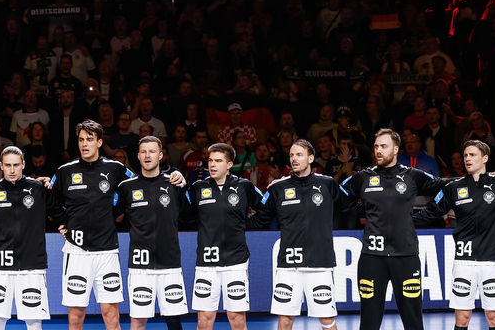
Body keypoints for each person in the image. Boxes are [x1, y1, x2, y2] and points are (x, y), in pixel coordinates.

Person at [49, 121, 183, 330]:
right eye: (81, 139)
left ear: (100, 142)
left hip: (107, 251)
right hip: (76, 251)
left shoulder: (116, 168)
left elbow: (142, 182)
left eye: (90, 139)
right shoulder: (65, 171)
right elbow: (50, 198)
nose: (85, 144)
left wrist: (176, 176)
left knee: (111, 316)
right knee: (75, 317)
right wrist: (62, 221)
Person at [341, 129, 452, 330]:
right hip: (372, 257)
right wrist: (363, 211)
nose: (378, 151)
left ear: (395, 149)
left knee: (413, 321)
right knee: (369, 321)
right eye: (376, 146)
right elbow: (338, 195)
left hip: (406, 255)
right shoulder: (363, 177)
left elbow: (443, 185)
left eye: (383, 146)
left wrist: (479, 176)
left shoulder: (412, 175)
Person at [416, 140, 495, 330]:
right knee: (462, 318)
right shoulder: (453, 187)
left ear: (485, 158)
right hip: (464, 261)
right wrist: (402, 222)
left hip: (492, 260)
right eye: (465, 155)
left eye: (473, 155)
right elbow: (431, 212)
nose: (467, 158)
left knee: (494, 319)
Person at [251, 139, 354, 330]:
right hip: (289, 265)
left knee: (326, 320)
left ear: (311, 158)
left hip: (320, 264)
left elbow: (351, 207)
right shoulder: (278, 188)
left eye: (299, 154)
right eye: (291, 155)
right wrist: (232, 222)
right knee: (286, 319)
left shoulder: (328, 184)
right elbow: (258, 220)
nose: (294, 159)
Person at [0, 146, 65, 330]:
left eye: (16, 165)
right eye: (8, 165)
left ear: (23, 165)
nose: (12, 170)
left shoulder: (39, 189)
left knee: (34, 323)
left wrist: (66, 227)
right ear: (1, 166)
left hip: (32, 266)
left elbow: (61, 213)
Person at [187, 143, 265, 330]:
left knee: (237, 320)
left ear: (229, 165)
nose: (212, 165)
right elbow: (187, 215)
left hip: (236, 261)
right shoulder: (198, 187)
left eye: (218, 161)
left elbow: (265, 208)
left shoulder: (244, 186)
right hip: (206, 262)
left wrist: (246, 224)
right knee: (204, 321)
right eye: (210, 160)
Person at [116, 136, 188, 330]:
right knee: (138, 321)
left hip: (170, 263)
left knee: (174, 321)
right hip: (140, 266)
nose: (148, 155)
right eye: (144, 152)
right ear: (138, 156)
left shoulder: (176, 185)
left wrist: (183, 181)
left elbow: (192, 214)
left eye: (152, 151)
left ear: (161, 155)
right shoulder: (126, 188)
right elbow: (109, 217)